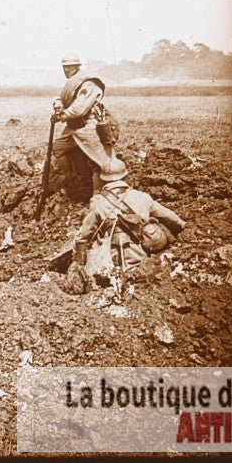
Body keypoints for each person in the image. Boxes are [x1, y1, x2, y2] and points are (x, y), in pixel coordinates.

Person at [61, 157, 186, 294]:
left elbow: (83, 237)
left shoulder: (98, 203)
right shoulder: (141, 197)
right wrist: (184, 227)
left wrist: (78, 263)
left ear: (103, 179)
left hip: (111, 264)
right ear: (126, 176)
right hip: (142, 260)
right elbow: (170, 217)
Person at [50, 52, 119, 196]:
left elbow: (78, 109)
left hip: (89, 126)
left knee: (98, 163)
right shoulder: (73, 82)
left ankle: (97, 195)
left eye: (69, 67)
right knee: (57, 148)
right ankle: (72, 179)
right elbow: (64, 97)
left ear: (77, 67)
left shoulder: (89, 84)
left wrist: (61, 116)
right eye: (64, 67)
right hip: (73, 127)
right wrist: (57, 103)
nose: (66, 70)